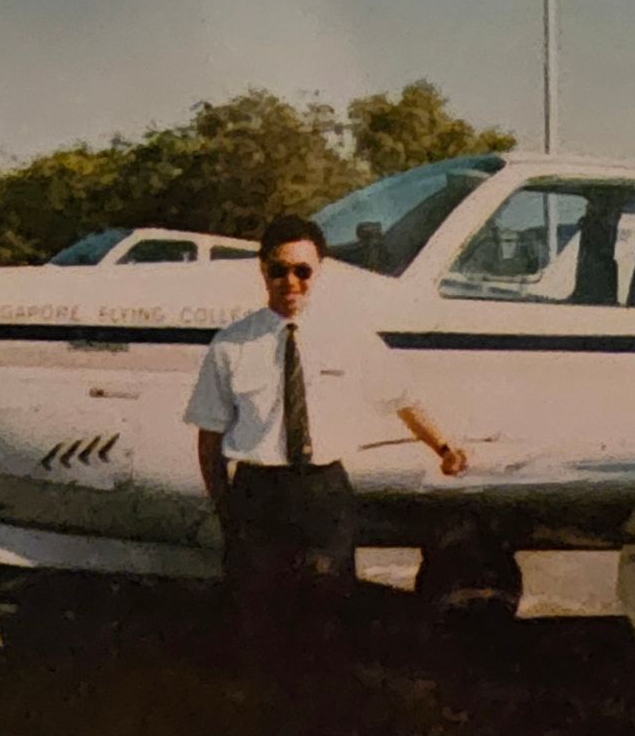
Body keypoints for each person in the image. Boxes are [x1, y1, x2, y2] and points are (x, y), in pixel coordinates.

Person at [184, 214, 467, 648]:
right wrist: (227, 512)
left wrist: (444, 447)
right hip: (258, 494)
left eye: (303, 270)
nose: (291, 281)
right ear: (263, 270)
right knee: (258, 623)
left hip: (324, 494)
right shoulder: (230, 345)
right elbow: (209, 439)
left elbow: (403, 399)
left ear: (320, 271)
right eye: (279, 269)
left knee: (329, 618)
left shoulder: (349, 337)